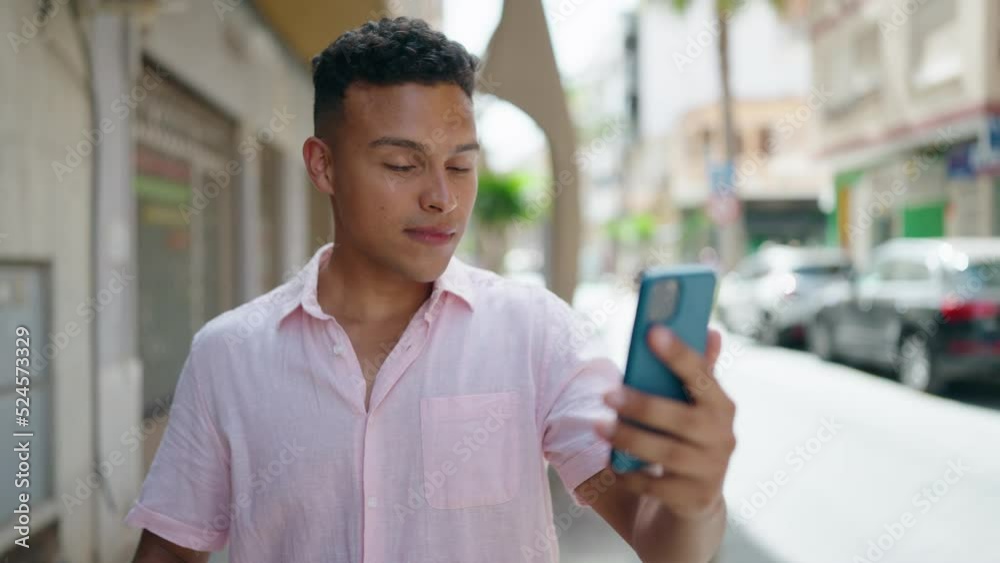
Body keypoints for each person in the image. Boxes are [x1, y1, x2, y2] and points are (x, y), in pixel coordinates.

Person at [126, 17, 736, 563]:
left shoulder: (536, 335)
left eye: (462, 165)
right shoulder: (229, 355)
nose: (442, 197)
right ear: (323, 166)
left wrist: (695, 499)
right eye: (402, 165)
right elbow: (173, 550)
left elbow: (659, 538)